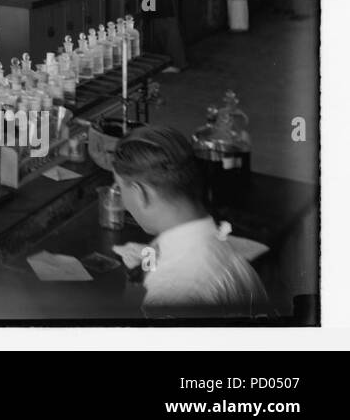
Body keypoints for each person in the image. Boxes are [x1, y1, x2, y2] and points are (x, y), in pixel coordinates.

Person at [112, 126, 268, 318]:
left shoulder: (170, 297)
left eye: (120, 189)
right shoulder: (227, 250)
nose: (123, 203)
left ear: (140, 193)